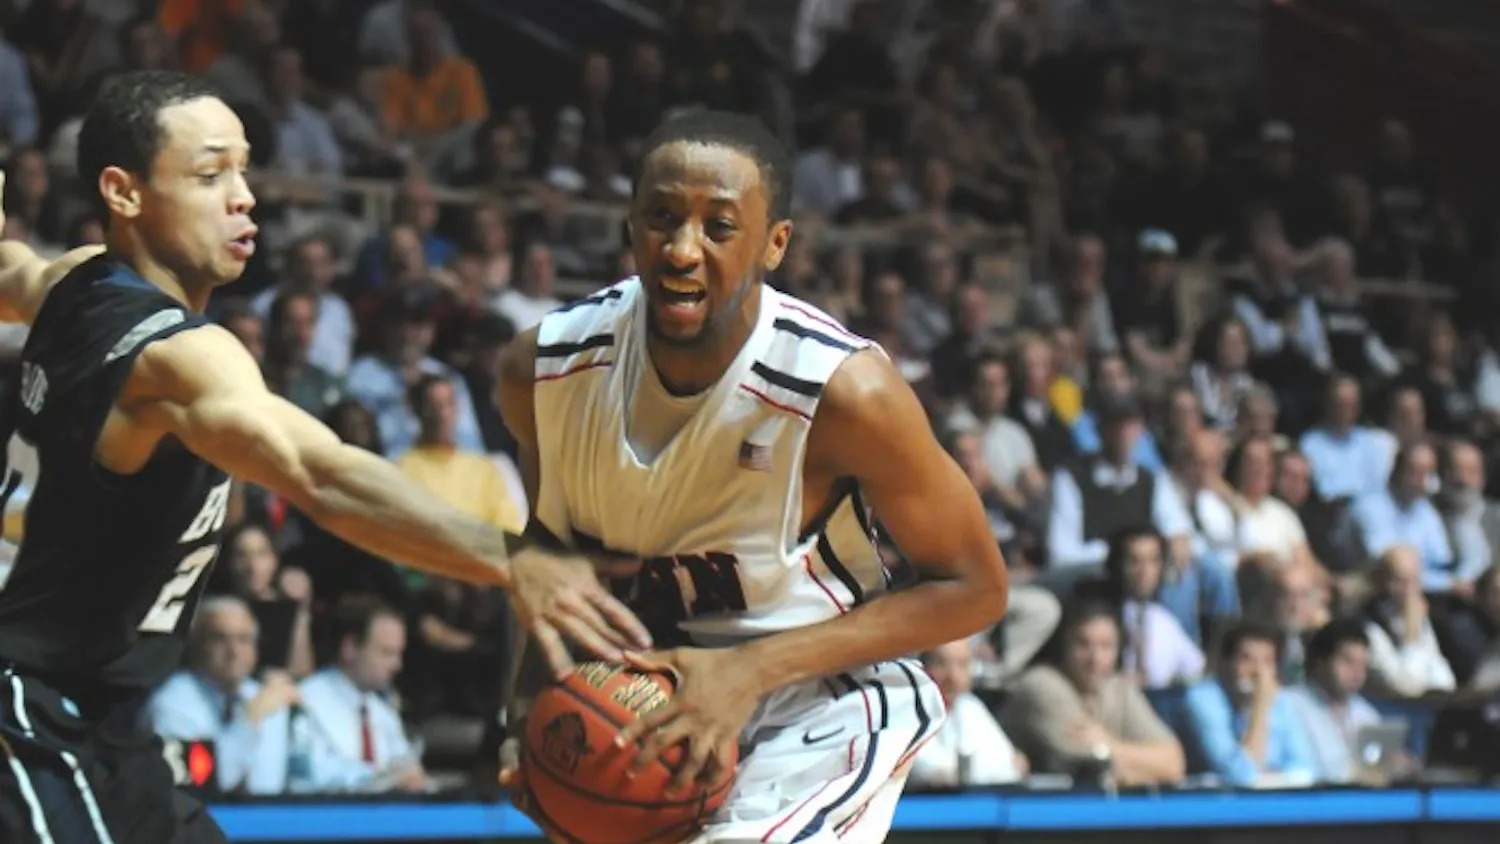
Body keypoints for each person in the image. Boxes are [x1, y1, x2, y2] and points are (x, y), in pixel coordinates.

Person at [0, 70, 647, 844]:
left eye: (244, 169)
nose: (243, 196)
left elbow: (10, 267)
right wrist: (512, 558)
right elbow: (326, 475)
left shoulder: (70, 280)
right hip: (30, 713)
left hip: (102, 726)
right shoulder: (179, 357)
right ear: (123, 192)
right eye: (210, 175)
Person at [497, 110, 1009, 843]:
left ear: (775, 243)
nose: (681, 249)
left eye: (719, 227)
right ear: (629, 224)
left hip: (821, 705)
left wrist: (744, 673)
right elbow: (553, 562)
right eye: (662, 218)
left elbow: (976, 586)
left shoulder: (844, 393)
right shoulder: (544, 373)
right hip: (653, 712)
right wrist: (529, 718)